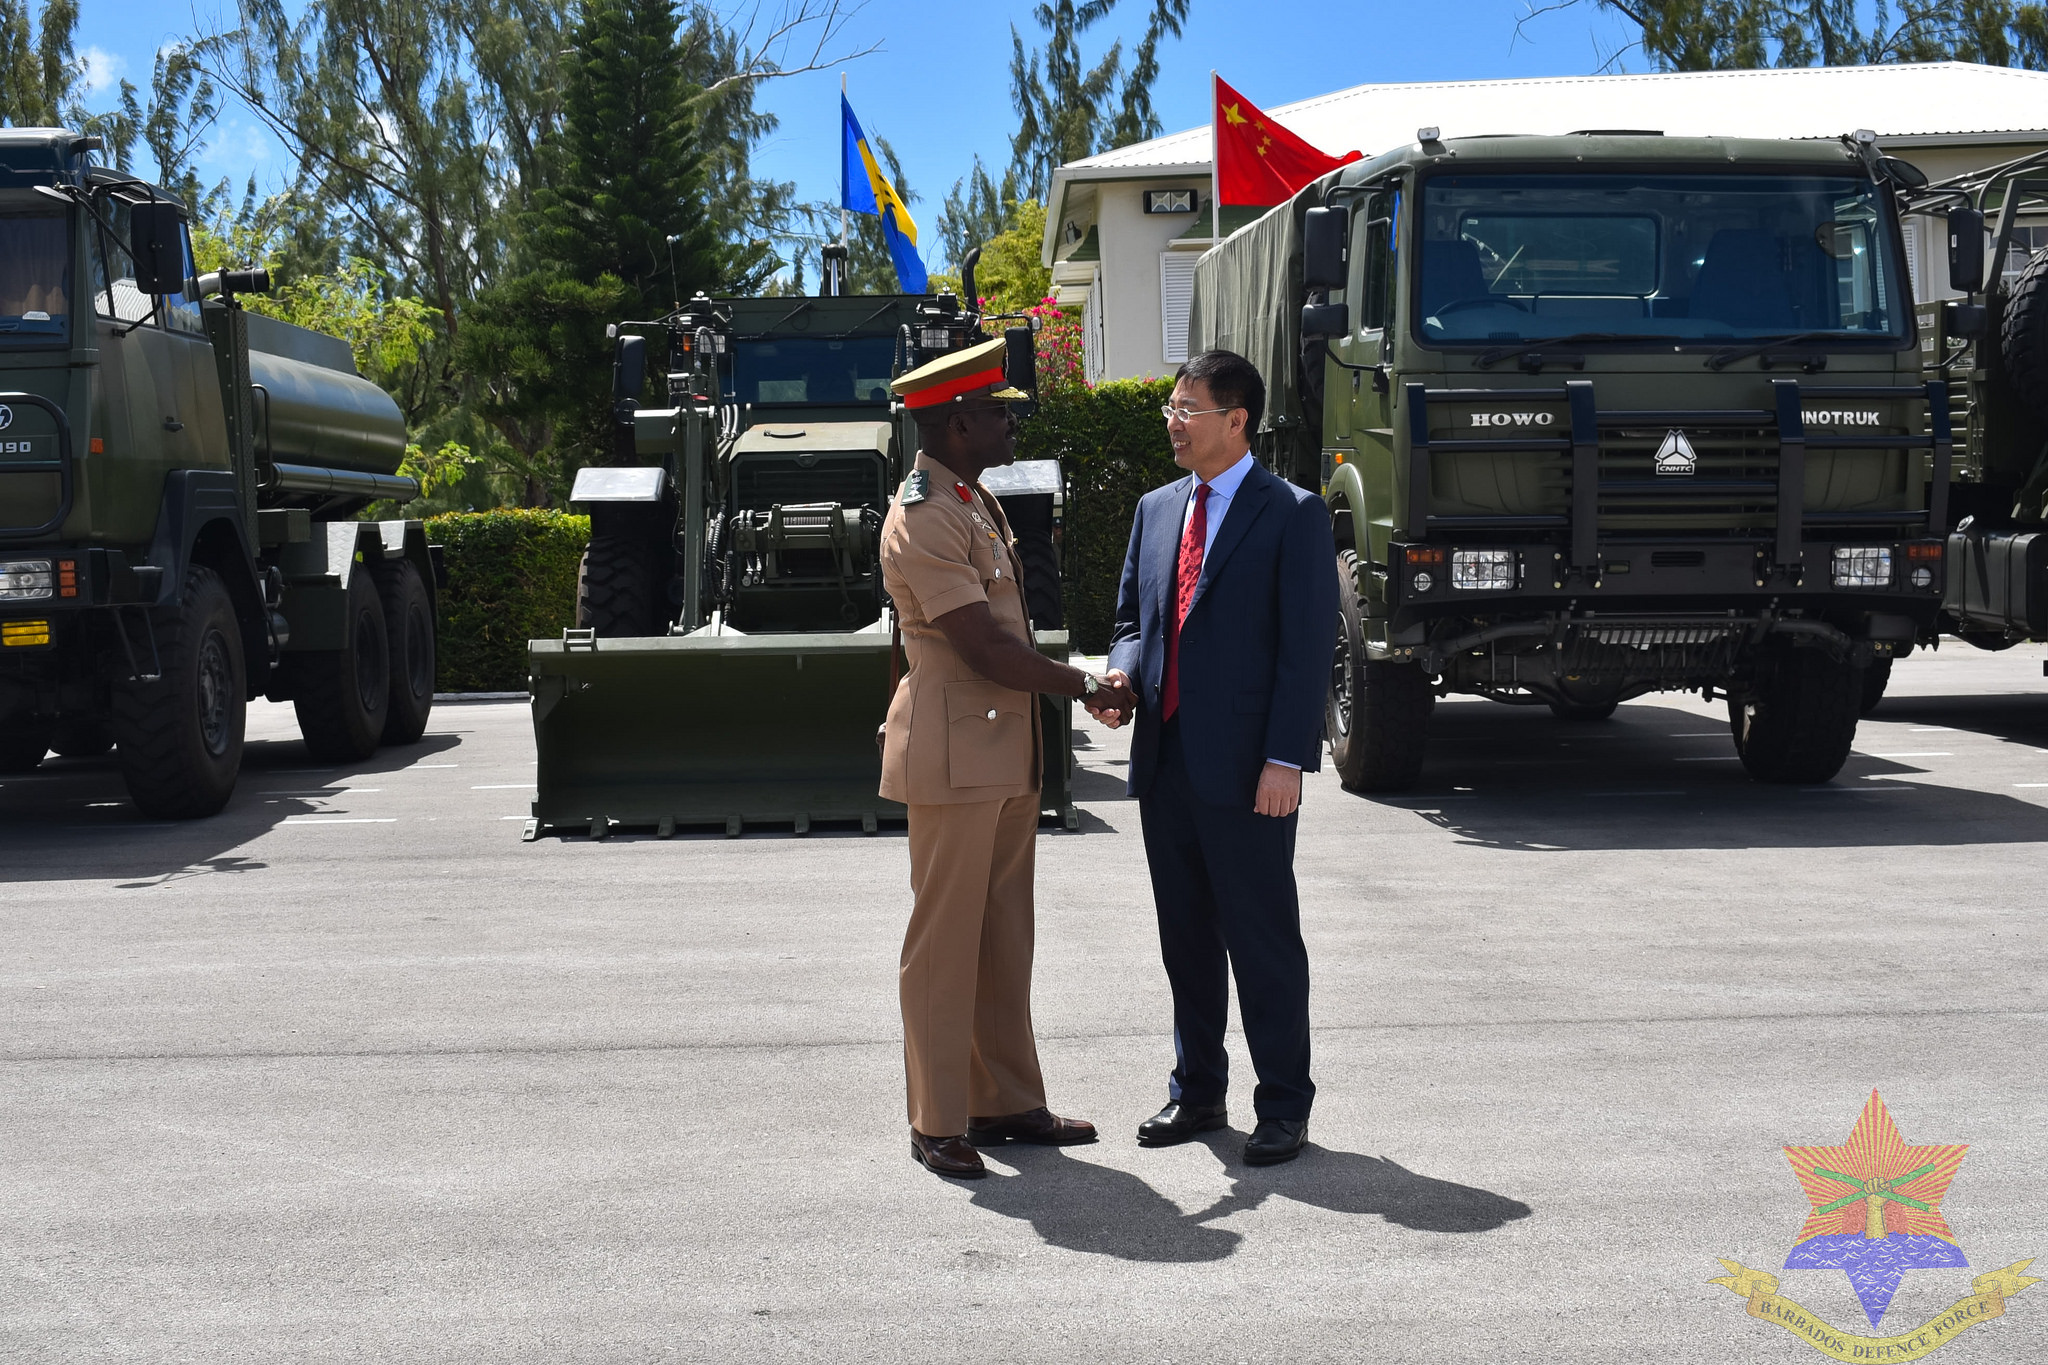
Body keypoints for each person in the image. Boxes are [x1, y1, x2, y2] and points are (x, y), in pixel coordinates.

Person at [880, 336, 1139, 1181]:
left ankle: (1004, 1099)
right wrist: (1083, 682)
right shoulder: (924, 510)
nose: (1008, 423)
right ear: (958, 423)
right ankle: (936, 1118)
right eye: (997, 412)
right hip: (958, 749)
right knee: (945, 940)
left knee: (1002, 935)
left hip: (996, 747)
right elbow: (980, 644)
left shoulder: (973, 499)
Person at [1098, 349, 1338, 1167]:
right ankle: (1197, 1089)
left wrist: (1286, 760)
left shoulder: (1292, 512)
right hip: (1166, 763)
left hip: (1248, 772)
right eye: (1170, 405)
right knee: (1186, 940)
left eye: (1186, 408)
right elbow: (1133, 617)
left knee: (1263, 938)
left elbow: (1307, 651)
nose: (1172, 420)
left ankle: (1283, 1105)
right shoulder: (1156, 508)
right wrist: (1123, 670)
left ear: (1236, 420)